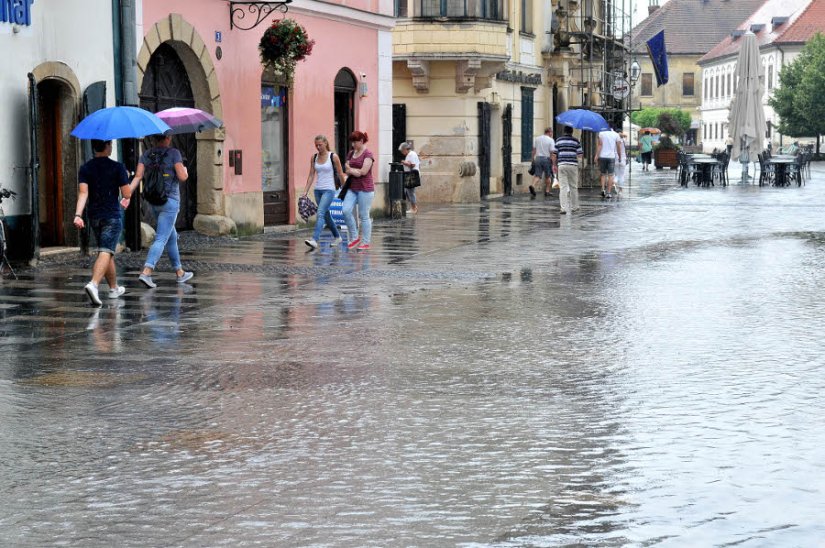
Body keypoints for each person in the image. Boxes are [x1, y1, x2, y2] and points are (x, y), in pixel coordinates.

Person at [123, 133, 194, 288]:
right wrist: (186, 171)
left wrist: (127, 195)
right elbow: (182, 177)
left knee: (171, 236)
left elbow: (138, 176)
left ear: (154, 139)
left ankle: (179, 272)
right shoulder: (174, 153)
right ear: (167, 138)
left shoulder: (146, 155)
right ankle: (147, 271)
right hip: (170, 202)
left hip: (154, 202)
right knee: (161, 238)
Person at [73, 139, 131, 306]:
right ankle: (94, 284)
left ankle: (114, 288)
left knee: (107, 251)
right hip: (111, 215)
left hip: (94, 217)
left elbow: (83, 193)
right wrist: (125, 177)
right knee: (105, 251)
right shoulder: (117, 167)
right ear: (107, 146)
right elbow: (126, 194)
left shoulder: (86, 168)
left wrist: (78, 215)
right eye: (110, 145)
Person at [303, 135, 345, 250]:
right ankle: (337, 237)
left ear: (325, 143)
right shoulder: (314, 157)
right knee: (326, 215)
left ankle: (314, 240)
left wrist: (345, 189)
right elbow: (311, 174)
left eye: (320, 145)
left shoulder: (333, 157)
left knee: (320, 213)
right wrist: (305, 191)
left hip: (329, 189)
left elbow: (341, 174)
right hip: (318, 190)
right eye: (316, 145)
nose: (318, 147)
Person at [342, 130, 375, 251]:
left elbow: (363, 172)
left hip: (365, 189)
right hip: (352, 188)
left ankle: (365, 242)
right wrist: (352, 171)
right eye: (352, 142)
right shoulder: (351, 153)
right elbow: (346, 168)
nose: (353, 145)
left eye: (354, 142)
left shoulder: (368, 154)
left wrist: (351, 170)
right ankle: (355, 236)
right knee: (345, 210)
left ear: (361, 141)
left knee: (364, 216)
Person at [552, 126, 583, 214]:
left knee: (563, 187)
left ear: (564, 131)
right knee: (573, 186)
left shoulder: (559, 140)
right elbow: (580, 154)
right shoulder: (576, 141)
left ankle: (563, 208)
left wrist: (554, 165)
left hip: (561, 165)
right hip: (573, 165)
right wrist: (579, 164)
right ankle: (574, 207)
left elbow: (554, 154)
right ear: (572, 132)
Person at [595, 126, 622, 198]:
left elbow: (600, 145)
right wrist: (619, 156)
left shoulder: (601, 133)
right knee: (610, 175)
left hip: (602, 156)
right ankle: (609, 192)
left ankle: (603, 189)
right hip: (611, 157)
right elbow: (619, 146)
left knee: (603, 174)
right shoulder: (616, 134)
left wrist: (596, 156)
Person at [530, 127, 555, 197]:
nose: (551, 134)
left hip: (538, 158)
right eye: (551, 132)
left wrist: (532, 160)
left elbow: (534, 150)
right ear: (549, 132)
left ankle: (532, 186)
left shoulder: (537, 139)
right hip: (546, 159)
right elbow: (552, 152)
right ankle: (547, 191)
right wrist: (553, 163)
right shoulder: (551, 140)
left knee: (537, 175)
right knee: (548, 176)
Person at [398, 141, 421, 214]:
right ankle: (413, 207)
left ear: (405, 149)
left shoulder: (411, 154)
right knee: (408, 191)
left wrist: (404, 162)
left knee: (410, 192)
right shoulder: (410, 154)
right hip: (410, 174)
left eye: (402, 151)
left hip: (412, 175)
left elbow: (413, 165)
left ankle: (414, 208)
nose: (402, 153)